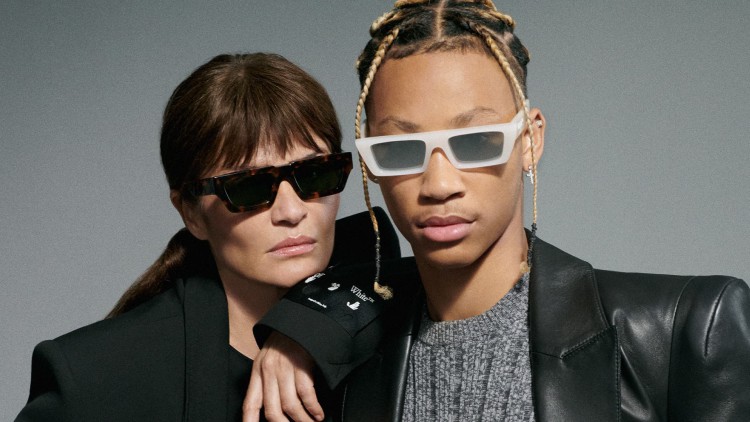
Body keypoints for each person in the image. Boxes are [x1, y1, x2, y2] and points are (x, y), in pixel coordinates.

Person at [255, 1, 750, 420]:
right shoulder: (343, 356)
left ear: (529, 140)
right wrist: (302, 326)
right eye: (400, 150)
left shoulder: (686, 331)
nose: (439, 185)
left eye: (476, 142)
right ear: (369, 163)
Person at [15, 52, 401, 422]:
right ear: (191, 213)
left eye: (315, 173)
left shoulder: (397, 318)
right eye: (248, 187)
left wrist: (304, 327)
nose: (291, 211)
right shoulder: (94, 378)